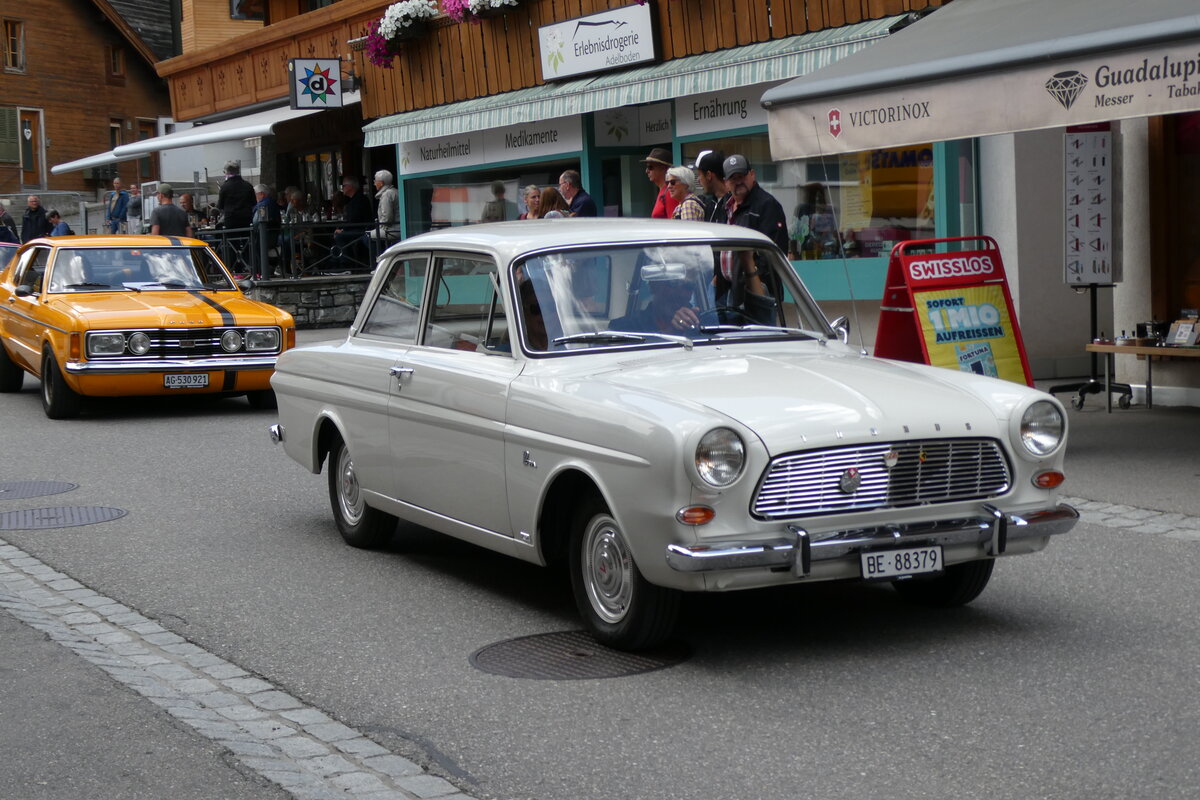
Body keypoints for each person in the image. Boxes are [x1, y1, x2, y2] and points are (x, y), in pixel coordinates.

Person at [714, 154, 787, 322]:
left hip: (757, 293)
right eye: (733, 178)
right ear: (726, 182)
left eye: (742, 176)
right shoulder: (724, 205)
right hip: (726, 292)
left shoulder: (767, 205)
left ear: (752, 175)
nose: (738, 181)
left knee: (761, 342)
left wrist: (753, 279)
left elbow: (775, 255)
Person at [333, 176, 373, 271]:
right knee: (338, 235)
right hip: (356, 228)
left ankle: (345, 265)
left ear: (350, 186)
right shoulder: (353, 200)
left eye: (344, 186)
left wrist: (343, 230)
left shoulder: (359, 200)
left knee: (339, 236)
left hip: (362, 230)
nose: (342, 188)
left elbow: (356, 219)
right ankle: (338, 262)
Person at [252, 184, 282, 279]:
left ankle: (260, 271)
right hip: (272, 235)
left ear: (262, 194)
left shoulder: (263, 205)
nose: (254, 197)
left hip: (265, 237)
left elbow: (256, 222)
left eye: (255, 194)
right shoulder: (272, 203)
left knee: (251, 244)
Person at [216, 160, 255, 230]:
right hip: (246, 220)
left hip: (230, 220)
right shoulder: (248, 186)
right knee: (246, 239)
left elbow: (220, 206)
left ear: (226, 172)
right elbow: (254, 203)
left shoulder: (224, 187)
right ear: (238, 171)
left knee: (231, 239)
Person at [691, 149, 728, 223]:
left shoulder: (733, 204)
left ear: (708, 175)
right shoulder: (710, 203)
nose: (698, 180)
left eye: (699, 175)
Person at [642, 147, 678, 219]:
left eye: (650, 167)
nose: (647, 171)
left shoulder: (669, 192)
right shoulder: (663, 191)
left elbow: (674, 223)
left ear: (664, 168)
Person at [370, 170, 399, 241]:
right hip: (397, 228)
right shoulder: (395, 191)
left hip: (393, 229)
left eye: (375, 181)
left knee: (367, 237)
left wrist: (380, 225)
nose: (374, 183)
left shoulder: (386, 195)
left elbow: (387, 218)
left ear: (381, 183)